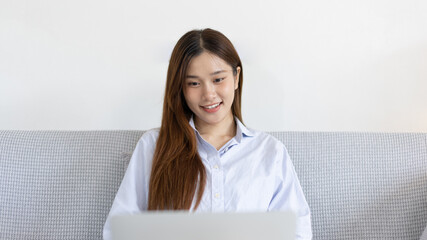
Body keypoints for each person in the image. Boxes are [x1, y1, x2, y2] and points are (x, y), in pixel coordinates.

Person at [103, 28, 312, 239]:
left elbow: (297, 232)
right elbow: (118, 231)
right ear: (181, 89)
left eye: (218, 79)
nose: (208, 94)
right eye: (194, 83)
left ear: (236, 77)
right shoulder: (153, 146)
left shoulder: (270, 152)